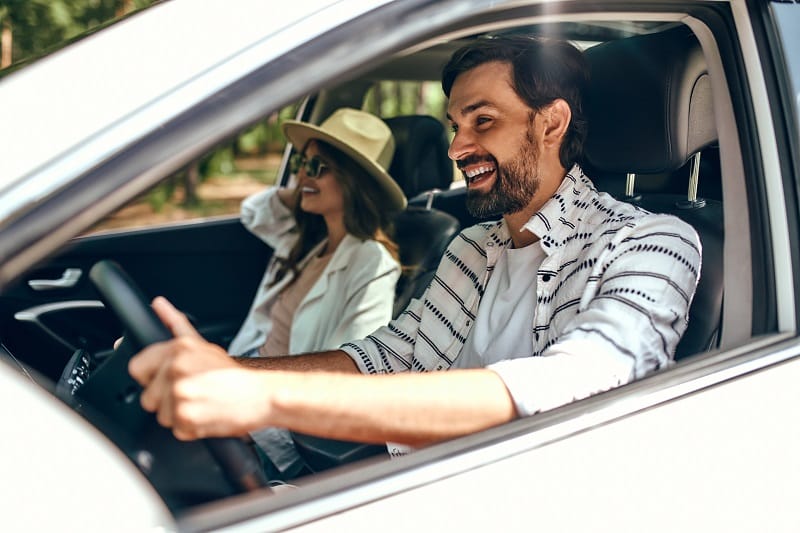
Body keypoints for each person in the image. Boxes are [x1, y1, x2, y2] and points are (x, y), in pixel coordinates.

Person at [129, 36, 701, 460]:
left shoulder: (653, 243)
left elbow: (572, 386)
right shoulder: (474, 248)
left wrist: (265, 396)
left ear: (551, 125)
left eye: (482, 121)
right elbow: (382, 358)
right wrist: (234, 373)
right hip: (415, 482)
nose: (458, 146)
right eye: (455, 124)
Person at [226, 108, 406, 476]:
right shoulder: (307, 240)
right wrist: (304, 186)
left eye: (318, 166)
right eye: (302, 162)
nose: (303, 173)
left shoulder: (371, 263)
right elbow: (253, 212)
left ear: (354, 181)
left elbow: (351, 370)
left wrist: (251, 423)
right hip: (245, 374)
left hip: (273, 418)